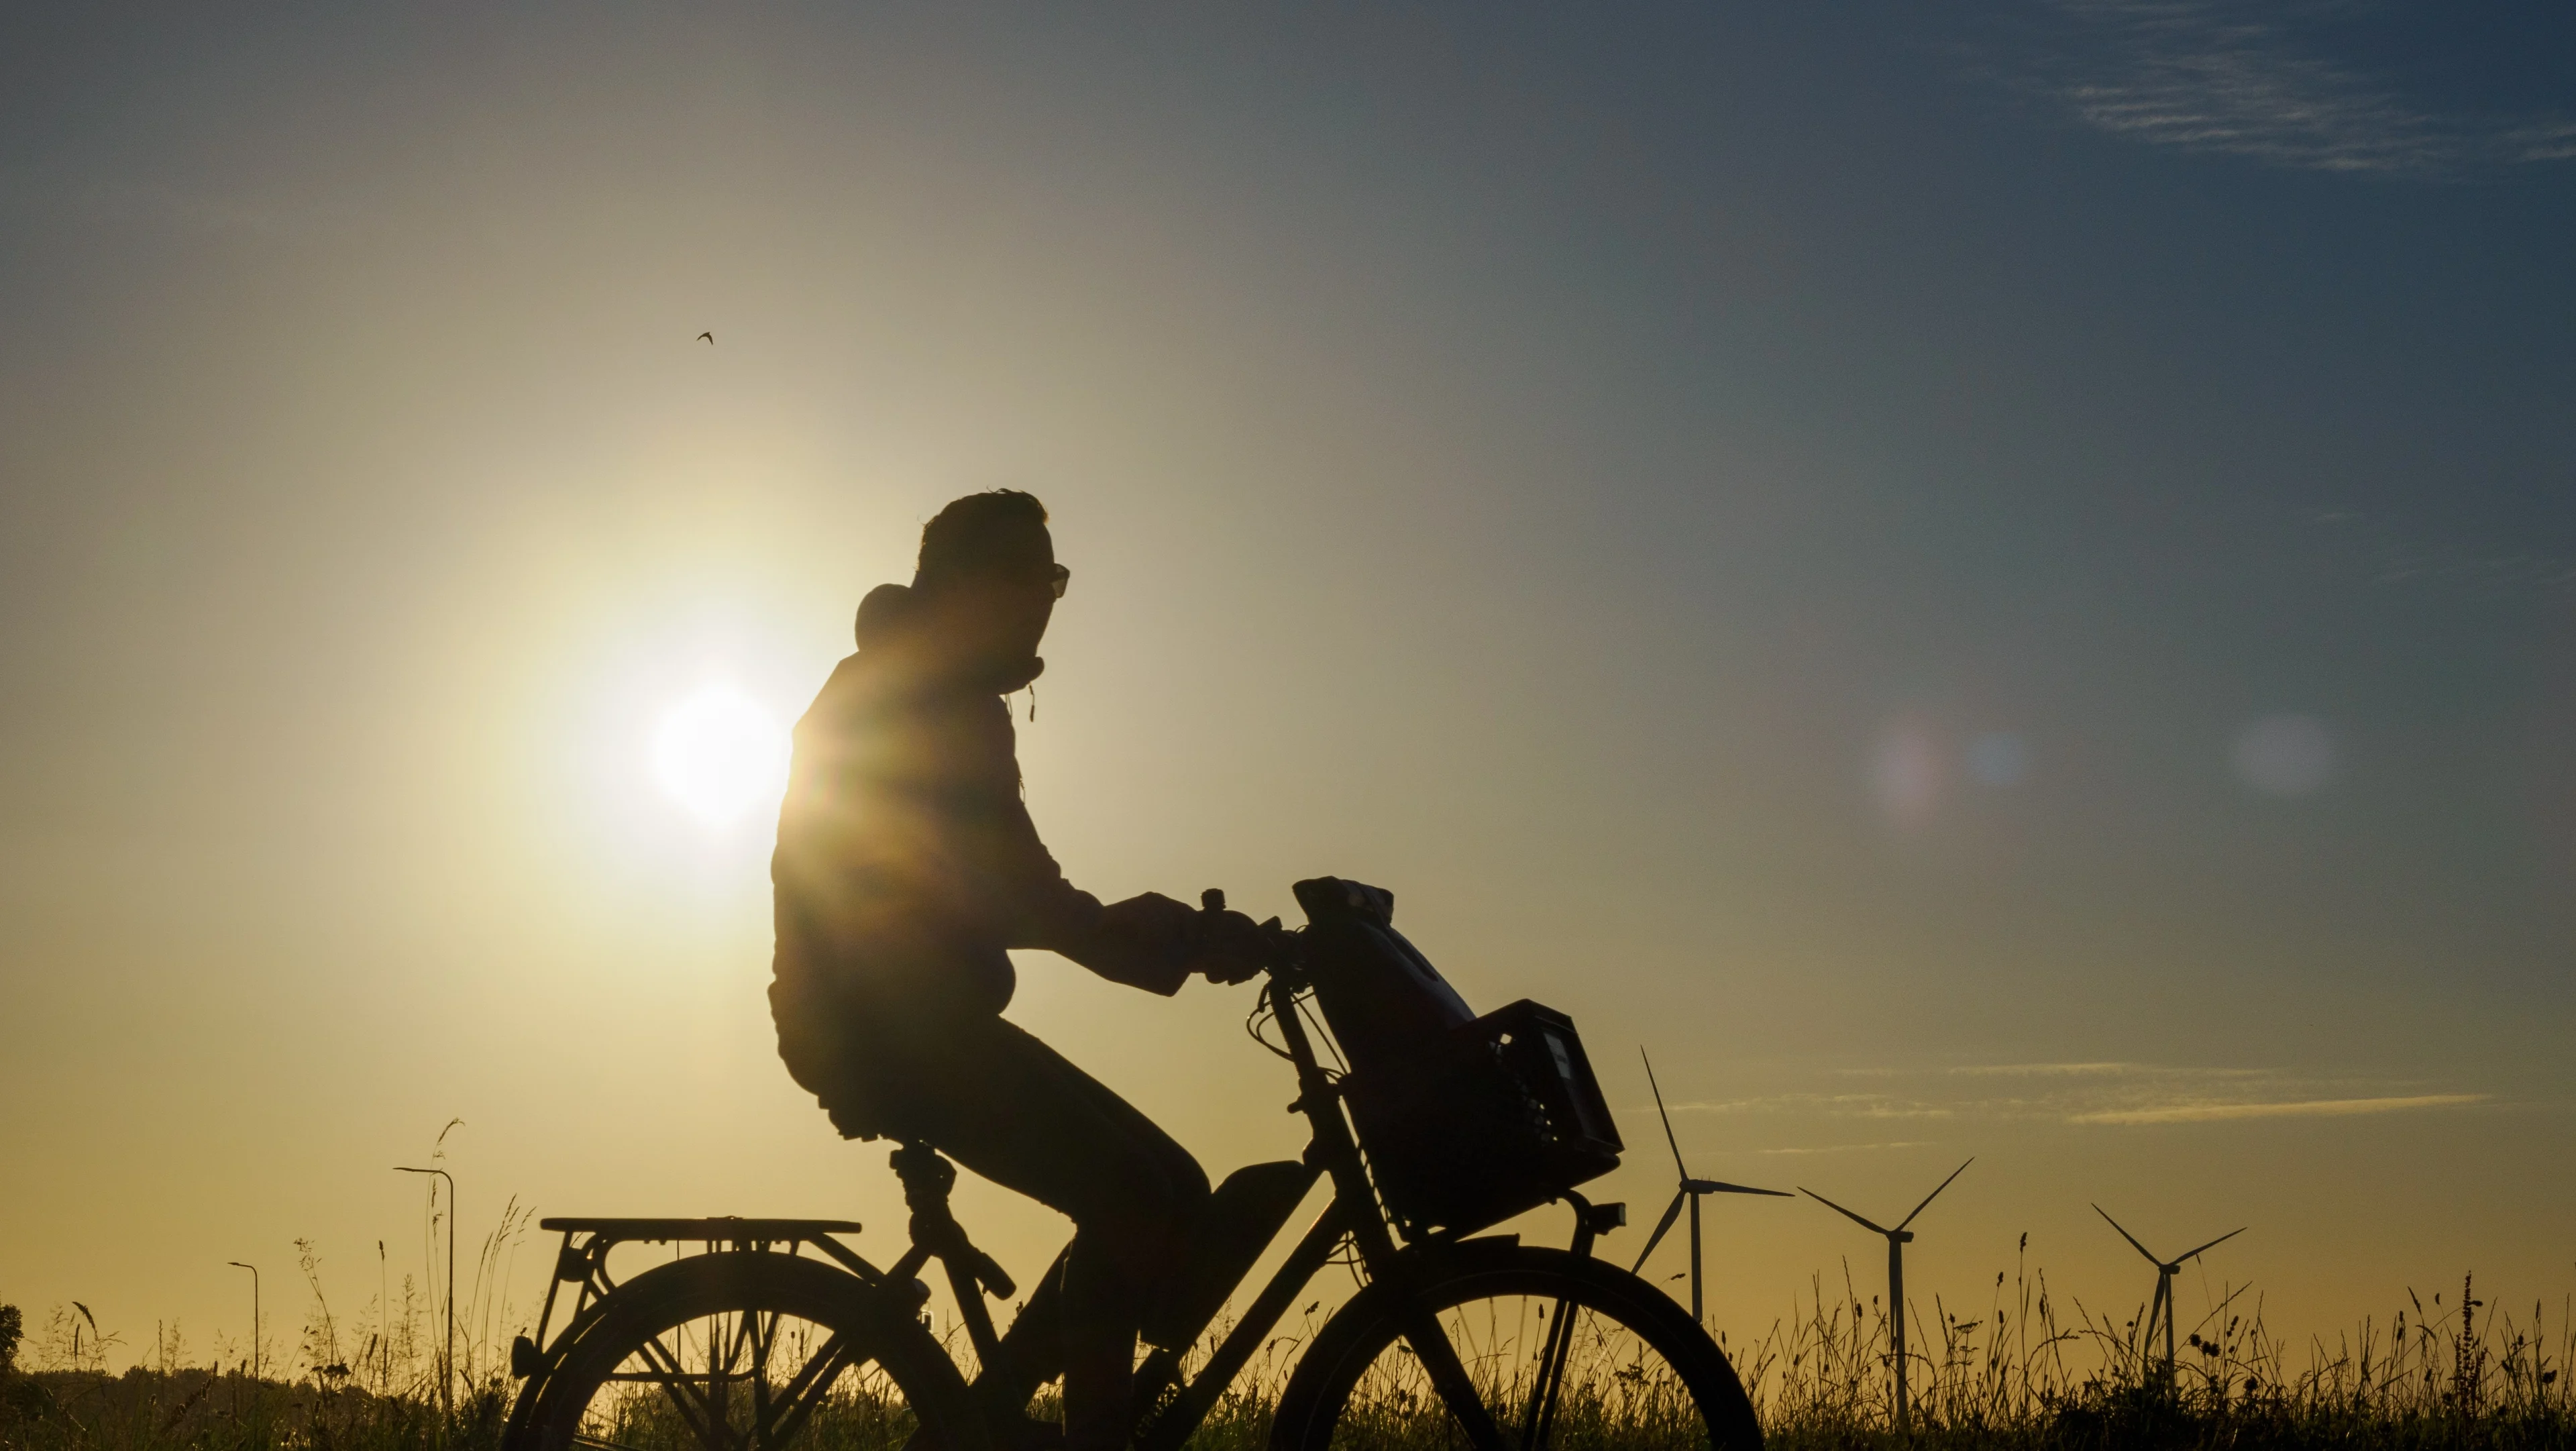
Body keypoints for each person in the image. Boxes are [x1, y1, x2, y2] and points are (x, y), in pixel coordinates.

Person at [769, 490, 1259, 1451]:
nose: (1046, 600)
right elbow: (1004, 894)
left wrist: (1167, 938)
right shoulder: (909, 696)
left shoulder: (952, 696)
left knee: (1170, 1185)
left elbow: (1024, 885)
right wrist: (1164, 943)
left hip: (922, 1019)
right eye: (1031, 576)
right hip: (881, 1028)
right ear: (963, 583)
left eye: (1054, 580)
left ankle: (998, 1418)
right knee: (1133, 1193)